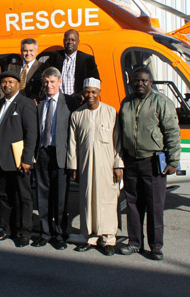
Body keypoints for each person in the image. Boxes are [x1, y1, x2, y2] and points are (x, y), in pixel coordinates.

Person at [118, 67, 181, 260]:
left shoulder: (161, 102)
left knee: (155, 205)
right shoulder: (126, 102)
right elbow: (121, 131)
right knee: (133, 204)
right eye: (136, 80)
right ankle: (135, 242)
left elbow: (172, 132)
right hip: (131, 160)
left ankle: (155, 246)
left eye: (144, 80)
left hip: (152, 161)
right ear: (131, 82)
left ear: (151, 82)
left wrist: (173, 160)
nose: (140, 84)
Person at [67, 78, 123, 256]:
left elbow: (117, 141)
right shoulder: (77, 114)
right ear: (83, 93)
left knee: (108, 201)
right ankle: (90, 237)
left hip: (107, 167)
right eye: (87, 92)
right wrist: (74, 167)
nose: (90, 95)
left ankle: (108, 239)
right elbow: (72, 143)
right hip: (85, 166)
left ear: (99, 92)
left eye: (93, 92)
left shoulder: (111, 112)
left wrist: (118, 165)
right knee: (87, 200)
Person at [0, 71, 38, 247]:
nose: (7, 85)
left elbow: (31, 133)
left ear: (18, 84)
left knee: (24, 197)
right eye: (4, 82)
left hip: (18, 161)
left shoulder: (25, 104)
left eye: (10, 82)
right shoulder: (1, 104)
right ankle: (7, 229)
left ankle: (24, 233)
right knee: (4, 197)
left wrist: (27, 159)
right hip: (1, 160)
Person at [33, 67, 79, 250]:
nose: (49, 85)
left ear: (60, 82)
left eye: (52, 82)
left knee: (60, 198)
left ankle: (59, 234)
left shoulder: (70, 102)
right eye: (46, 82)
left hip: (60, 155)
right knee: (42, 196)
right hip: (42, 154)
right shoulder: (39, 104)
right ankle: (44, 233)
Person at [38, 29, 99, 98]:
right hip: (58, 100)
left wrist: (82, 94)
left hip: (79, 101)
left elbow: (95, 81)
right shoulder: (55, 56)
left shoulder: (87, 59)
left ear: (78, 42)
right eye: (67, 40)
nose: (70, 42)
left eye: (73, 40)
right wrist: (45, 90)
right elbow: (40, 73)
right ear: (63, 41)